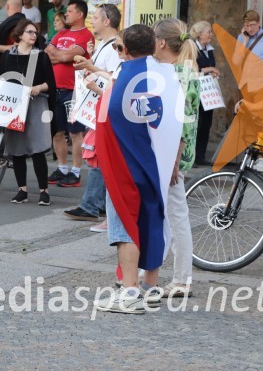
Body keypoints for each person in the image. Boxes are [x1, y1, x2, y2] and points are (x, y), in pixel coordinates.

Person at [93, 24, 184, 314]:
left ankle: (130, 292)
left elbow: (110, 119)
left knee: (125, 228)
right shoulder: (165, 76)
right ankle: (150, 287)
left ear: (126, 50)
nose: (117, 53)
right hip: (155, 163)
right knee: (152, 221)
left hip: (125, 164)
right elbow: (170, 119)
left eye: (118, 48)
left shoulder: (124, 77)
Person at [0, 19, 56, 206]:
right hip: (15, 105)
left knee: (37, 148)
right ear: (20, 34)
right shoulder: (9, 55)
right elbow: (0, 73)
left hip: (36, 104)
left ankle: (43, 191)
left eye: (35, 32)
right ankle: (22, 190)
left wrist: (38, 87)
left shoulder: (41, 56)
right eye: (30, 32)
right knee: (17, 149)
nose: (34, 35)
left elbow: (51, 83)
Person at [152, 18, 200, 297]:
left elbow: (184, 121)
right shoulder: (176, 71)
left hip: (172, 154)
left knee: (176, 215)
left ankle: (182, 278)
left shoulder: (179, 74)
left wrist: (174, 158)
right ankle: (178, 276)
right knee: (172, 214)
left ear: (160, 43)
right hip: (169, 153)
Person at [63, 4, 122, 222]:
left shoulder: (115, 47)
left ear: (107, 21)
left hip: (105, 108)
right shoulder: (104, 45)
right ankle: (99, 203)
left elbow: (115, 78)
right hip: (97, 106)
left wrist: (92, 70)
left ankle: (91, 205)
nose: (92, 21)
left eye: (95, 17)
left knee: (96, 156)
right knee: (98, 157)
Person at [46, 0, 94, 188]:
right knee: (56, 132)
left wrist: (58, 54)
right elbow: (47, 55)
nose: (66, 14)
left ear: (80, 14)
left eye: (70, 11)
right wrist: (62, 55)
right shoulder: (61, 33)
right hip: (55, 89)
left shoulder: (86, 35)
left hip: (74, 91)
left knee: (75, 133)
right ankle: (62, 168)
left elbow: (65, 56)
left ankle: (75, 172)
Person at [190, 21, 220, 166]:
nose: (210, 35)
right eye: (208, 32)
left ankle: (201, 155)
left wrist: (213, 73)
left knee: (206, 123)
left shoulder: (209, 49)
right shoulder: (192, 48)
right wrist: (208, 70)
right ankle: (192, 156)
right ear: (200, 33)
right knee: (197, 122)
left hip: (208, 91)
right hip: (196, 90)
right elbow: (190, 70)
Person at [0, 0, 27, 72]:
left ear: (7, 7)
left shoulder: (14, 24)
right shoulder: (23, 22)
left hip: (5, 70)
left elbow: (19, 48)